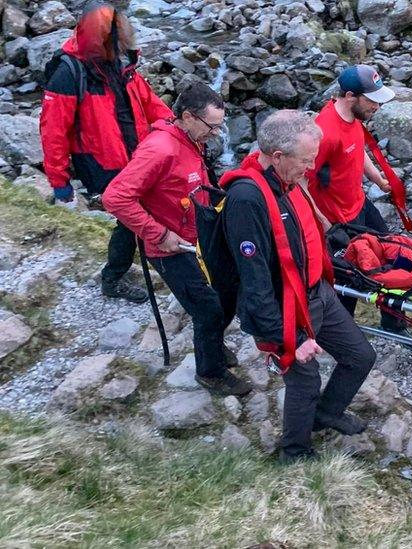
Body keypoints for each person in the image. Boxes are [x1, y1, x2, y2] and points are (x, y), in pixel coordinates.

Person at [221, 110, 377, 464]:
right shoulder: (248, 200)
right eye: (306, 161)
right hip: (288, 307)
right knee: (304, 384)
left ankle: (326, 414)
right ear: (278, 156)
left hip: (317, 292)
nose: (312, 168)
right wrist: (283, 338)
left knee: (360, 356)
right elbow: (255, 280)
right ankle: (294, 452)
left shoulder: (287, 181)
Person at [102, 83, 251, 397]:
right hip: (169, 247)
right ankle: (211, 374)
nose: (217, 132)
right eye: (212, 126)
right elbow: (115, 197)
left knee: (226, 292)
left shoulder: (189, 138)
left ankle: (212, 344)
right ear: (187, 116)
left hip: (197, 236)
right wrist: (158, 234)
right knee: (208, 308)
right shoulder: (160, 149)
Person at [40, 0, 174, 303]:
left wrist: (172, 128)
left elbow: (147, 100)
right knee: (132, 217)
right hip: (103, 162)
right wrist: (59, 183)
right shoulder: (69, 72)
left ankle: (143, 264)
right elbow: (53, 132)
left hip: (135, 152)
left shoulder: (119, 62)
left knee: (141, 212)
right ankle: (114, 278)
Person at [307, 64, 406, 332]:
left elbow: (358, 151)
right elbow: (301, 182)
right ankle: (342, 333)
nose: (377, 106)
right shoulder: (323, 132)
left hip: (359, 204)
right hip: (338, 221)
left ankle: (393, 323)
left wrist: (378, 180)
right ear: (351, 96)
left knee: (395, 257)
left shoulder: (354, 118)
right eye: (372, 100)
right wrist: (322, 223)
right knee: (349, 277)